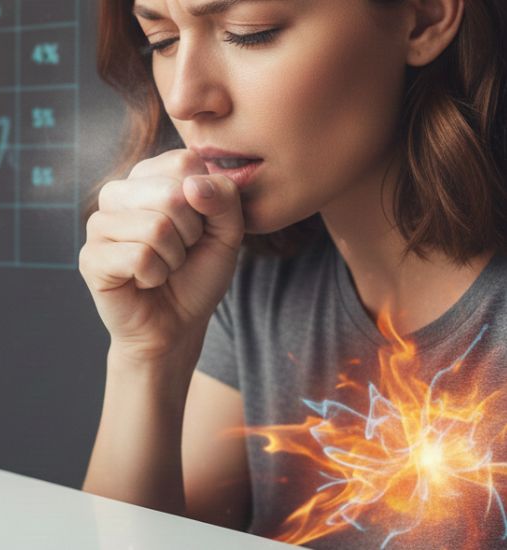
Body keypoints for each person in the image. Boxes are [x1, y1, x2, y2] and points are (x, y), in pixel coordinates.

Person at [78, 0, 507, 548]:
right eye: (162, 41)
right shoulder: (253, 283)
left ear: (422, 17)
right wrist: (148, 358)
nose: (185, 99)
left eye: (249, 33)